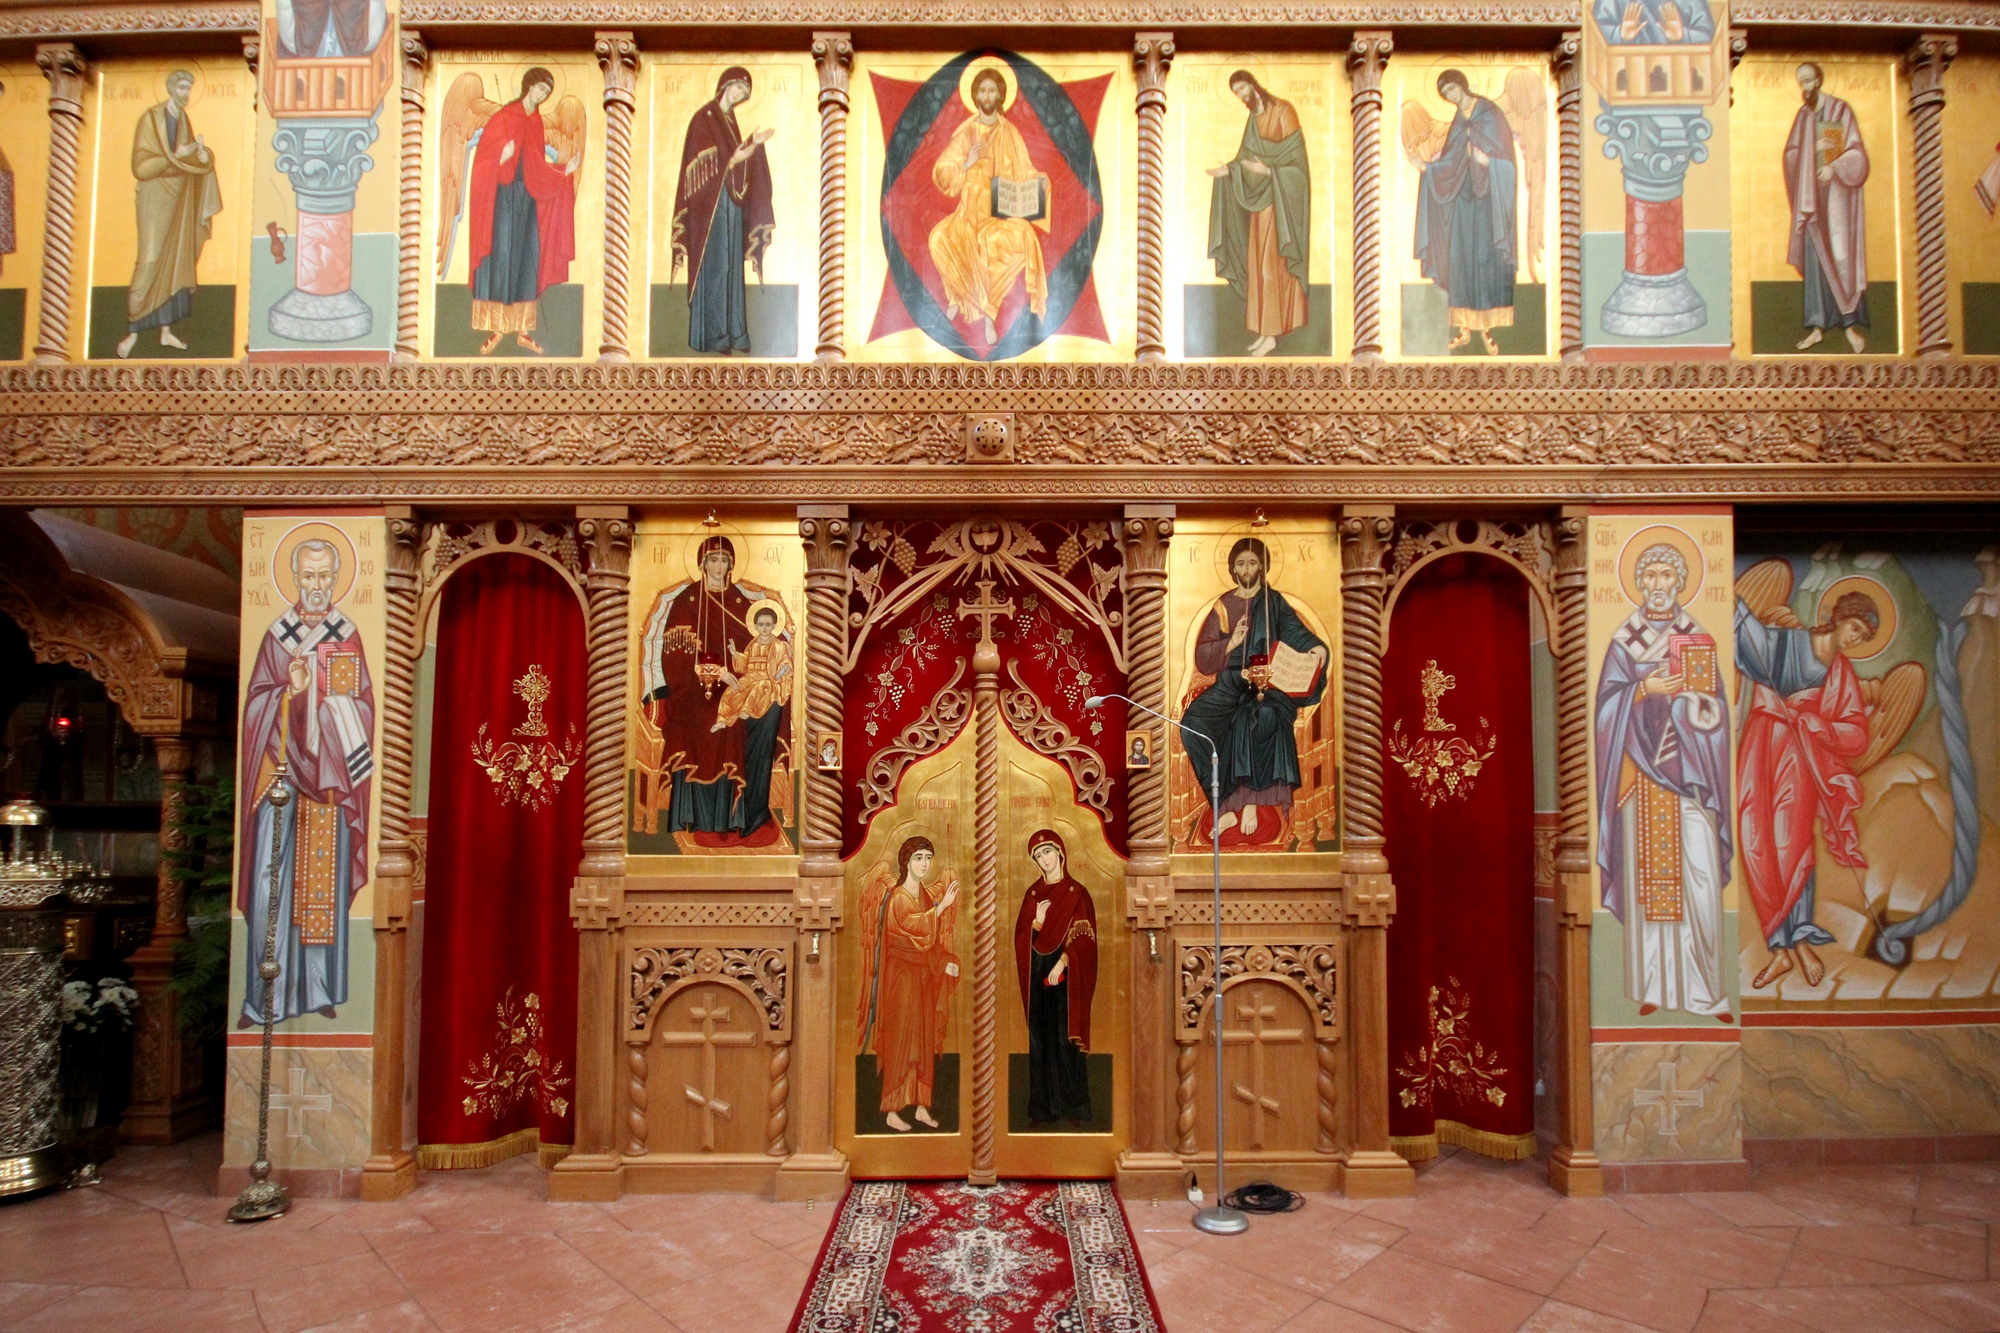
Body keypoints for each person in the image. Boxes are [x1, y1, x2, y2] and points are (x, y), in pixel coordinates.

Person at [237, 537, 374, 1025]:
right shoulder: (277, 636)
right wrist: (285, 695)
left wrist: (331, 707)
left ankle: (316, 990)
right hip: (279, 778)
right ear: (297, 578)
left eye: (324, 577)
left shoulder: (347, 634)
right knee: (270, 882)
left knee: (322, 884)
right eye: (308, 577)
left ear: (335, 579)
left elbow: (362, 707)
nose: (316, 587)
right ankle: (265, 996)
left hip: (328, 780)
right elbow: (254, 703)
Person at [1595, 542, 1733, 1020]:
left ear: (1678, 582)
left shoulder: (1696, 638)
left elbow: (1716, 718)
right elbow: (1604, 711)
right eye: (1648, 576)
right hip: (1641, 782)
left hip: (1688, 781)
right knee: (1647, 885)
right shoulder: (1623, 642)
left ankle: (1706, 990)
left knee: (1697, 880)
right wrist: (1642, 690)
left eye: (1664, 576)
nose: (1656, 586)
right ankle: (1654, 985)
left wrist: (1695, 705)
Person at [1736, 590, 1876, 989]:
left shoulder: (1840, 673)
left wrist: (1822, 726)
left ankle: (1799, 941)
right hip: (1760, 744)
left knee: (1790, 841)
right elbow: (1750, 645)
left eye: (1862, 636)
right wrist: (1735, 609)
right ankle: (1779, 950)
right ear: (1839, 619)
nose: (1853, 638)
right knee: (1754, 839)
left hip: (1800, 755)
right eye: (1854, 627)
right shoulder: (1785, 642)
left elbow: (1856, 734)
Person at [638, 535, 789, 841]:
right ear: (702, 564)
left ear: (731, 565)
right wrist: (718, 672)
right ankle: (711, 819)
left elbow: (760, 638)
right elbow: (675, 655)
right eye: (713, 560)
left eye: (724, 560)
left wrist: (775, 660)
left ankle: (753, 810)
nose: (719, 566)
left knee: (772, 710)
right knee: (716, 721)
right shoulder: (688, 601)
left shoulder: (737, 601)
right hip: (694, 689)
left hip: (742, 684)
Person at [1180, 536, 1329, 844]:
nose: (1246, 568)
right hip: (1229, 683)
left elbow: (1297, 634)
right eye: (1240, 563)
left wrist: (1316, 651)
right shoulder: (1223, 605)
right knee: (1192, 724)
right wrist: (1232, 641)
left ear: (1262, 566)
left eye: (1252, 562)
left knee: (1255, 716)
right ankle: (1223, 805)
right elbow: (1204, 657)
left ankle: (1249, 803)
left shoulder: (1272, 603)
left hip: (1267, 682)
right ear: (1232, 568)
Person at [928, 67, 1050, 348]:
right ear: (975, 95)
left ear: (999, 95)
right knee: (938, 239)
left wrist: (1039, 183)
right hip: (968, 214)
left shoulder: (1010, 133)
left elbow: (1025, 171)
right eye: (982, 90)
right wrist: (965, 164)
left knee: (1018, 239)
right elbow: (942, 170)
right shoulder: (967, 132)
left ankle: (978, 310)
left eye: (991, 90)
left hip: (999, 214)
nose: (986, 95)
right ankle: (971, 305)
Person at [466, 68, 578, 355]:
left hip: (527, 198)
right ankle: (496, 328)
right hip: (502, 197)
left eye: (546, 93)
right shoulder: (504, 118)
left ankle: (523, 330)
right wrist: (498, 158)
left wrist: (564, 171)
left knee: (527, 258)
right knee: (502, 255)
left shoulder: (536, 123)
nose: (541, 95)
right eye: (539, 89)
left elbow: (538, 166)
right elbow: (482, 161)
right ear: (529, 86)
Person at [856, 836, 960, 1132]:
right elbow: (909, 935)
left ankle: (921, 1107)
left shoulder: (925, 895)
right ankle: (891, 1110)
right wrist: (941, 910)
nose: (924, 864)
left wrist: (944, 961)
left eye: (928, 857)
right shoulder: (898, 896)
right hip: (901, 982)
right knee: (902, 1041)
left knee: (923, 1041)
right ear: (906, 862)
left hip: (923, 980)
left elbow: (930, 943)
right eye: (918, 858)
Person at [117, 70, 221, 360]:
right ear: (171, 88)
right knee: (149, 258)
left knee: (177, 260)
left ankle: (165, 332)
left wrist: (202, 156)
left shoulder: (184, 120)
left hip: (179, 198)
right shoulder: (150, 119)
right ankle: (132, 332)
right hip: (154, 199)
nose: (186, 93)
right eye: (182, 87)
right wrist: (177, 154)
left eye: (189, 88)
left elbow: (185, 156)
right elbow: (141, 166)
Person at [1205, 71, 1310, 356]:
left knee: (1273, 268)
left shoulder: (1283, 111)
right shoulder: (1253, 119)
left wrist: (1268, 171)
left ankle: (1275, 332)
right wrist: (1228, 170)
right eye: (1237, 93)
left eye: (1242, 89)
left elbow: (1297, 167)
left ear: (1253, 84)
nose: (1241, 96)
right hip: (1260, 207)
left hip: (1283, 207)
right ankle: (1266, 333)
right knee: (1258, 268)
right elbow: (1245, 161)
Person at [1414, 70, 1519, 356]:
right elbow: (1450, 160)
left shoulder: (1490, 113)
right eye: (1444, 93)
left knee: (1485, 260)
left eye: (1451, 89)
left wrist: (1489, 162)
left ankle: (1488, 330)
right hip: (1463, 199)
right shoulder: (1459, 122)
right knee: (1460, 258)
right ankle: (1464, 329)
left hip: (1488, 204)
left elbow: (1507, 159)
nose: (1449, 95)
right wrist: (1428, 169)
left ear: (1461, 85)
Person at [672, 68, 776, 355]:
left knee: (731, 267)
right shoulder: (704, 118)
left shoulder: (730, 123)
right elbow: (702, 167)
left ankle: (735, 332)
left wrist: (752, 146)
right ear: (726, 85)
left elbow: (734, 161)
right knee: (716, 265)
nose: (740, 95)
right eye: (738, 88)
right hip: (709, 209)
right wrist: (736, 158)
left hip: (730, 205)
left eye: (745, 93)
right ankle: (715, 335)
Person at [1783, 63, 1870, 353]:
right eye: (1801, 83)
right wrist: (1807, 153)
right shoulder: (1803, 116)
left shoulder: (1841, 111)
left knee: (1840, 256)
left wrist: (1834, 167)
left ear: (1819, 80)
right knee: (1814, 259)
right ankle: (1818, 328)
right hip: (1810, 198)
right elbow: (1791, 154)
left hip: (1837, 200)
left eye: (1808, 80)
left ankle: (1850, 327)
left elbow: (1857, 153)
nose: (1805, 87)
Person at [1014, 829, 1097, 1126]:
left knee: (1064, 1040)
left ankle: (1075, 1109)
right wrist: (1036, 922)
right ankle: (1042, 1110)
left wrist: (1063, 962)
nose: (1044, 860)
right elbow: (1022, 936)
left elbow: (1086, 940)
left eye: (1047, 852)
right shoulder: (1033, 894)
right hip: (1038, 971)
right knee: (1040, 1040)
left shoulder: (1077, 894)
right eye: (1038, 856)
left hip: (1066, 975)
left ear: (1060, 853)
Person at [711, 604, 790, 732]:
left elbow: (785, 662)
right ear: (756, 626)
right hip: (750, 677)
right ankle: (723, 720)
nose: (764, 628)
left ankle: (747, 711)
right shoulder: (752, 645)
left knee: (759, 690)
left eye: (768, 624)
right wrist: (735, 654)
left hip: (767, 678)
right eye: (761, 624)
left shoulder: (779, 646)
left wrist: (781, 672)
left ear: (774, 626)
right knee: (731, 690)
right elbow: (743, 666)